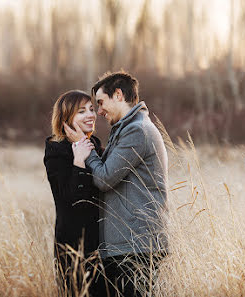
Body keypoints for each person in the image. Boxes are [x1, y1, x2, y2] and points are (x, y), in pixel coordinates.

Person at [65, 71, 168, 296]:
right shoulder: (125, 130)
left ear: (119, 95)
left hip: (137, 247)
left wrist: (84, 147)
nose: (99, 111)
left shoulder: (136, 130)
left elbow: (104, 178)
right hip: (128, 246)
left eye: (101, 103)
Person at [43, 90, 104, 296]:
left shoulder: (95, 144)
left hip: (101, 245)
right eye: (81, 111)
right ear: (66, 119)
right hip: (72, 246)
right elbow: (72, 200)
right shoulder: (56, 151)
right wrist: (79, 161)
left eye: (91, 109)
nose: (90, 115)